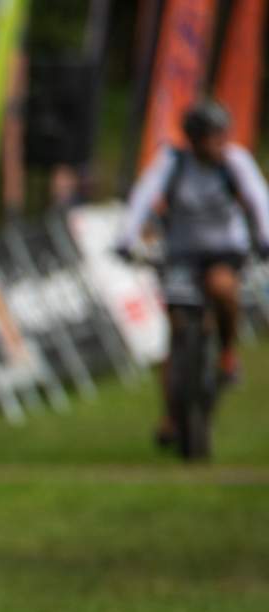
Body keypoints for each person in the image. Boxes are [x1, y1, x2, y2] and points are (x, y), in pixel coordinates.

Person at [114, 100, 269, 423]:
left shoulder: (235, 161)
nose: (221, 143)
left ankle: (227, 352)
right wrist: (125, 238)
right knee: (177, 326)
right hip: (182, 251)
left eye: (223, 135)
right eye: (214, 136)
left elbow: (259, 198)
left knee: (222, 287)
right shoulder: (173, 162)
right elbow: (144, 196)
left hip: (225, 248)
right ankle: (172, 414)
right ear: (195, 139)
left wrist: (266, 236)